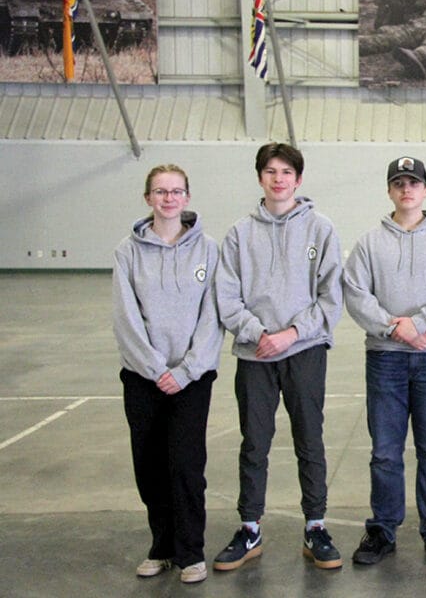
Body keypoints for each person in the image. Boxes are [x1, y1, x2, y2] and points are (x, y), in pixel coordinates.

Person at [213, 143, 345, 571]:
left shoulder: (321, 229)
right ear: (260, 178)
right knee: (255, 443)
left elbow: (330, 297)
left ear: (298, 180)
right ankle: (250, 528)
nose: (278, 179)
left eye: (286, 172)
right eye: (270, 171)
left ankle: (315, 527)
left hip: (304, 352)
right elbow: (227, 298)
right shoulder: (239, 234)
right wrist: (259, 334)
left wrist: (291, 334)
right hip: (255, 356)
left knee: (310, 439)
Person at [344, 155, 426, 566]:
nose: (406, 189)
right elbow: (356, 294)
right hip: (385, 358)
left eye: (413, 183)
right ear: (389, 190)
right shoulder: (369, 243)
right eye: (399, 183)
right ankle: (382, 528)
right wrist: (393, 329)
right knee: (385, 450)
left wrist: (418, 324)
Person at [113, 164, 223, 584]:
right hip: (143, 378)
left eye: (176, 191)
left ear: (187, 198)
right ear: (148, 199)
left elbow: (212, 316)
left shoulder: (208, 249)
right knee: (150, 465)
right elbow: (126, 318)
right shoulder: (127, 252)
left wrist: (187, 370)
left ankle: (190, 551)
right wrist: (156, 369)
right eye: (161, 191)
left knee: (186, 465)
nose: (169, 198)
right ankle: (161, 547)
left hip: (192, 379)